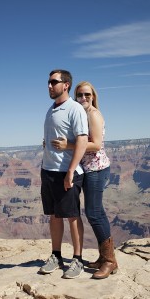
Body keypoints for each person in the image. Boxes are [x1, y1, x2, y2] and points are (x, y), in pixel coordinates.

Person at [52, 81, 118, 279]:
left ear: (93, 96)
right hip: (85, 169)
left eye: (87, 95)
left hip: (96, 170)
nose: (83, 98)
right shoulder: (80, 114)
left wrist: (67, 146)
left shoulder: (93, 115)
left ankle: (109, 261)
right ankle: (103, 257)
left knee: (94, 213)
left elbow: (96, 145)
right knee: (93, 213)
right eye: (79, 95)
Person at [39, 70, 88, 279]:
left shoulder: (75, 109)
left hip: (66, 172)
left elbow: (83, 141)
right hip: (48, 170)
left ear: (66, 84)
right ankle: (56, 255)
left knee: (72, 216)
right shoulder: (51, 109)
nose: (49, 86)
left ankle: (77, 259)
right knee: (54, 215)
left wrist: (70, 171)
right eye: (48, 82)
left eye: (53, 82)